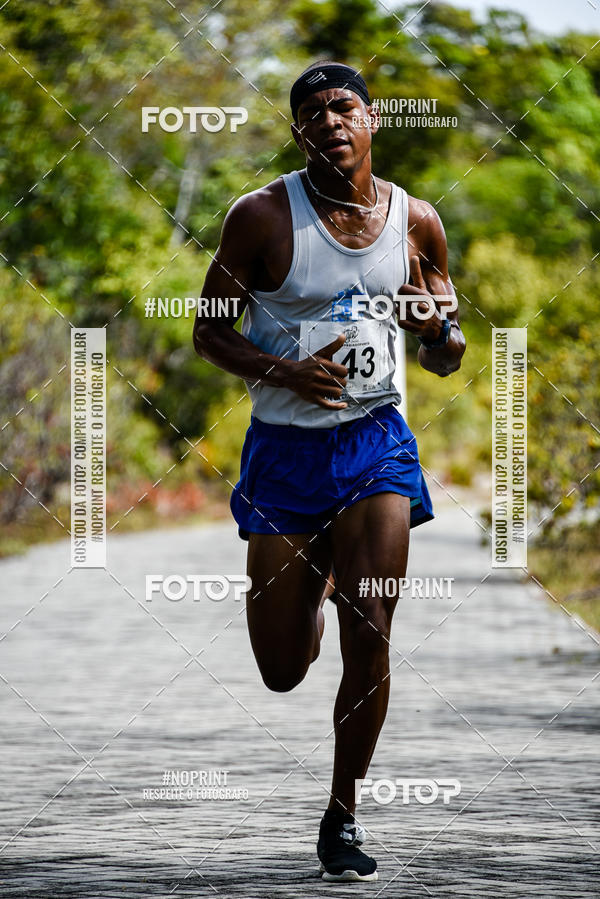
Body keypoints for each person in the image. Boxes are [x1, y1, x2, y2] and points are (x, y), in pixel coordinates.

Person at [193, 60, 466, 882]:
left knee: (371, 628)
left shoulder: (417, 221)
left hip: (376, 443)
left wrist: (435, 330)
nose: (328, 120)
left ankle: (343, 813)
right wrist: (284, 371)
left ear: (372, 119)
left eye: (342, 106)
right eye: (310, 113)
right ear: (298, 133)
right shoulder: (261, 217)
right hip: (285, 452)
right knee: (282, 670)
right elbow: (209, 332)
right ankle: (311, 592)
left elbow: (447, 352)